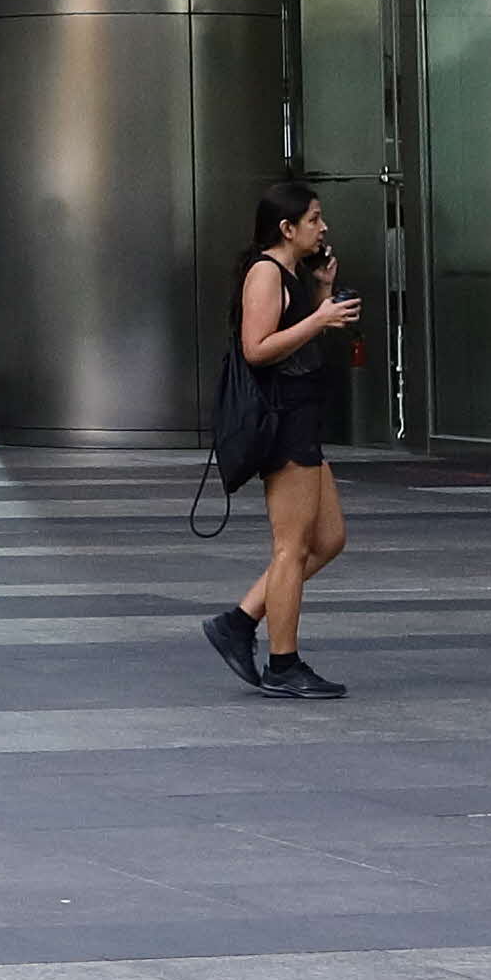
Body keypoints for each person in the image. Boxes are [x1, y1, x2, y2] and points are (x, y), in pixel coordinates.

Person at [202, 174, 365, 700]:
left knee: (330, 539)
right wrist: (320, 317)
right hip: (282, 421)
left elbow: (296, 339)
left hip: (303, 418)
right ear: (286, 227)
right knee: (291, 548)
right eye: (314, 219)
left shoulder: (293, 274)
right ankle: (282, 661)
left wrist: (320, 293)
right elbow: (257, 348)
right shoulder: (265, 273)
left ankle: (241, 619)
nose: (323, 227)